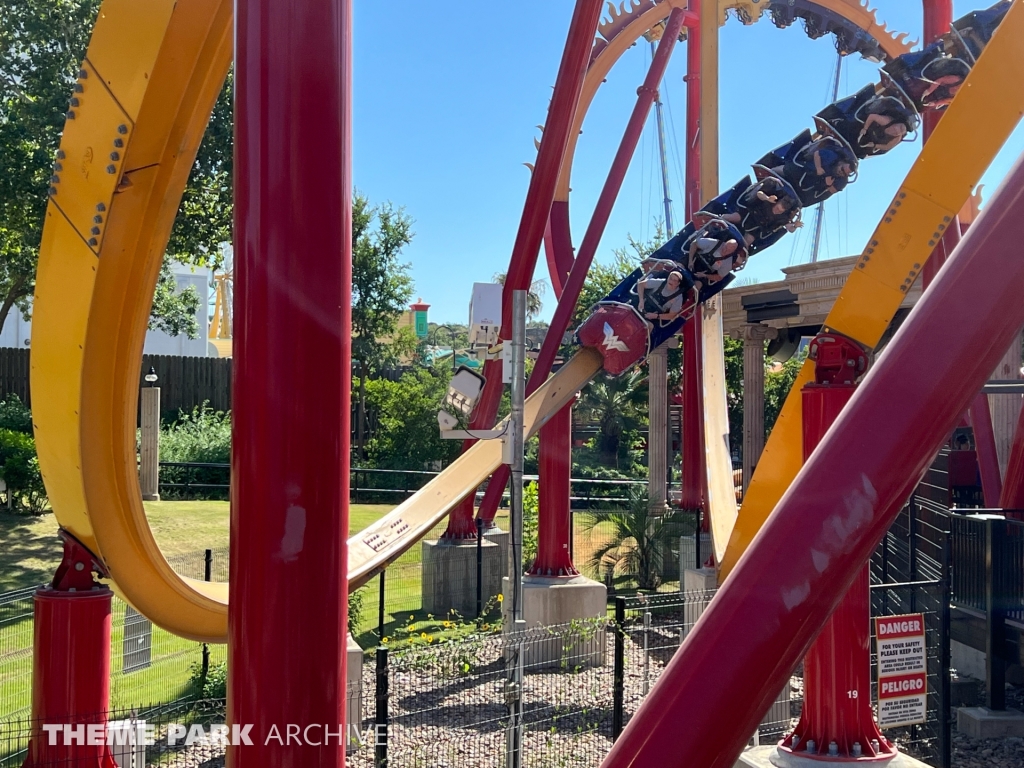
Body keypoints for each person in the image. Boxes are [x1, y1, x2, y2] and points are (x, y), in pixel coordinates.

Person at [721, 173, 802, 248]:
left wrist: (795, 226)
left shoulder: (783, 217)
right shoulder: (771, 198)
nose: (778, 211)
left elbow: (790, 228)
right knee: (732, 217)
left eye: (780, 211)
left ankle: (735, 254)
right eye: (777, 208)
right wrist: (767, 198)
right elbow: (759, 193)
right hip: (748, 214)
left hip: (756, 227)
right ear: (776, 203)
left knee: (747, 243)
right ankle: (717, 221)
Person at [777, 134, 857, 206]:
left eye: (845, 173)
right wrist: (819, 168)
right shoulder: (832, 156)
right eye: (842, 169)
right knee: (786, 169)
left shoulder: (842, 180)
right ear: (841, 163)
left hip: (811, 187)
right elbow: (817, 153)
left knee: (805, 200)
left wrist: (827, 185)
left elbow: (829, 191)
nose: (841, 172)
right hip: (805, 171)